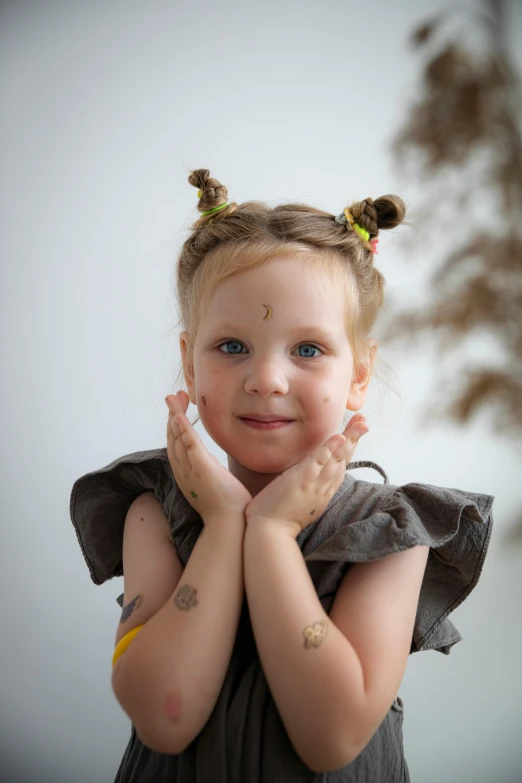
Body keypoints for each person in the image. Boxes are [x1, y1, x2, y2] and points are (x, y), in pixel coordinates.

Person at [70, 168, 494, 782]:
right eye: (232, 346)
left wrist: (269, 536)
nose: (267, 379)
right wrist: (221, 525)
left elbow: (333, 737)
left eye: (308, 349)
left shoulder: (393, 533)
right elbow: (165, 717)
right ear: (188, 363)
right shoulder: (155, 514)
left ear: (358, 374)